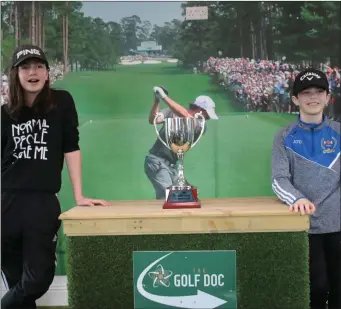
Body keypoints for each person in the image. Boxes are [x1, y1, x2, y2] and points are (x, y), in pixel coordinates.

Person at [1, 44, 109, 309]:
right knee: (17, 283)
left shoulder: (61, 103)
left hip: (43, 202)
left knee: (38, 279)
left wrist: (79, 195)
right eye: (25, 67)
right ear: (15, 75)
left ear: (48, 73)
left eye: (38, 66)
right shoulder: (4, 115)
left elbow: (71, 147)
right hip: (6, 204)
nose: (32, 72)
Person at [271, 68, 340, 309]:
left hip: (338, 225)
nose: (313, 97)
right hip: (305, 225)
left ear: (327, 97)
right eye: (306, 92)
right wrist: (297, 199)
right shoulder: (284, 136)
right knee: (317, 289)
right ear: (295, 99)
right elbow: (279, 179)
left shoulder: (339, 133)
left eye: (319, 91)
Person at [144, 86, 218, 200]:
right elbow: (153, 120)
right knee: (169, 198)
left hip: (173, 167)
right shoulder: (170, 112)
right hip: (156, 162)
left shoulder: (202, 125)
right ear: (200, 110)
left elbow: (186, 117)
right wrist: (157, 100)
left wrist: (164, 97)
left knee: (179, 199)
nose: (207, 117)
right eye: (207, 113)